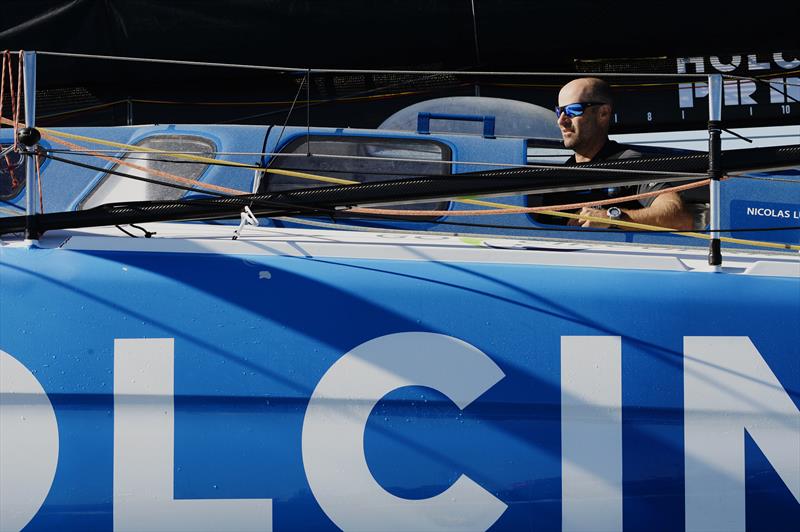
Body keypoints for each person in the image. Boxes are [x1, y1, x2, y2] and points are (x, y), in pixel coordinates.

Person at [553, 77, 694, 230]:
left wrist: (611, 218)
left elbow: (680, 218)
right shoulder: (559, 174)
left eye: (573, 110)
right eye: (559, 111)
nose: (561, 121)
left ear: (603, 113)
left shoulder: (628, 162)